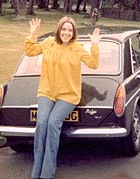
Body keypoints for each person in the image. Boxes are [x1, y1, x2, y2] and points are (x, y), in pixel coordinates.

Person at [25, 16, 100, 179]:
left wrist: (94, 45)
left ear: (73, 33)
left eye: (70, 30)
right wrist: (32, 35)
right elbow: (29, 52)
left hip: (68, 95)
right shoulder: (48, 43)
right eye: (64, 29)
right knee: (42, 122)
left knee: (52, 124)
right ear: (59, 30)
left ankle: (47, 173)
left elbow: (93, 64)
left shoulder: (77, 48)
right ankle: (35, 171)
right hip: (46, 92)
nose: (66, 33)